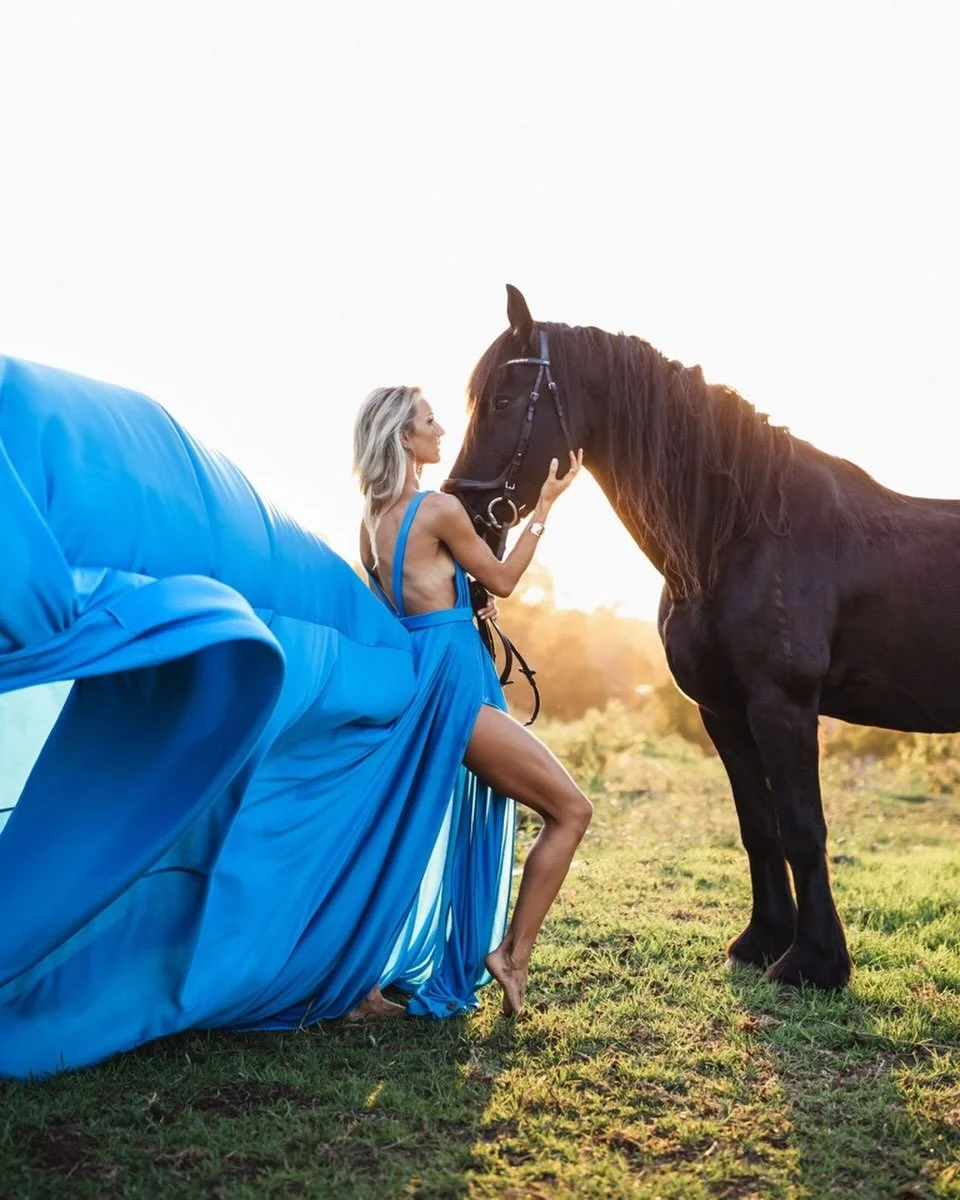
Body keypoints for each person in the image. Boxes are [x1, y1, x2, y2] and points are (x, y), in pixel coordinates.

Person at [353, 385, 593, 1015]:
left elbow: (407, 609)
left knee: (408, 832)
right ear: (405, 438)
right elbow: (507, 581)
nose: (441, 432)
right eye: (430, 422)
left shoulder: (370, 523)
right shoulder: (438, 508)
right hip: (456, 685)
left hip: (423, 681)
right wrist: (543, 506)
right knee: (571, 810)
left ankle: (365, 984)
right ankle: (511, 958)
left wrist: (460, 604)